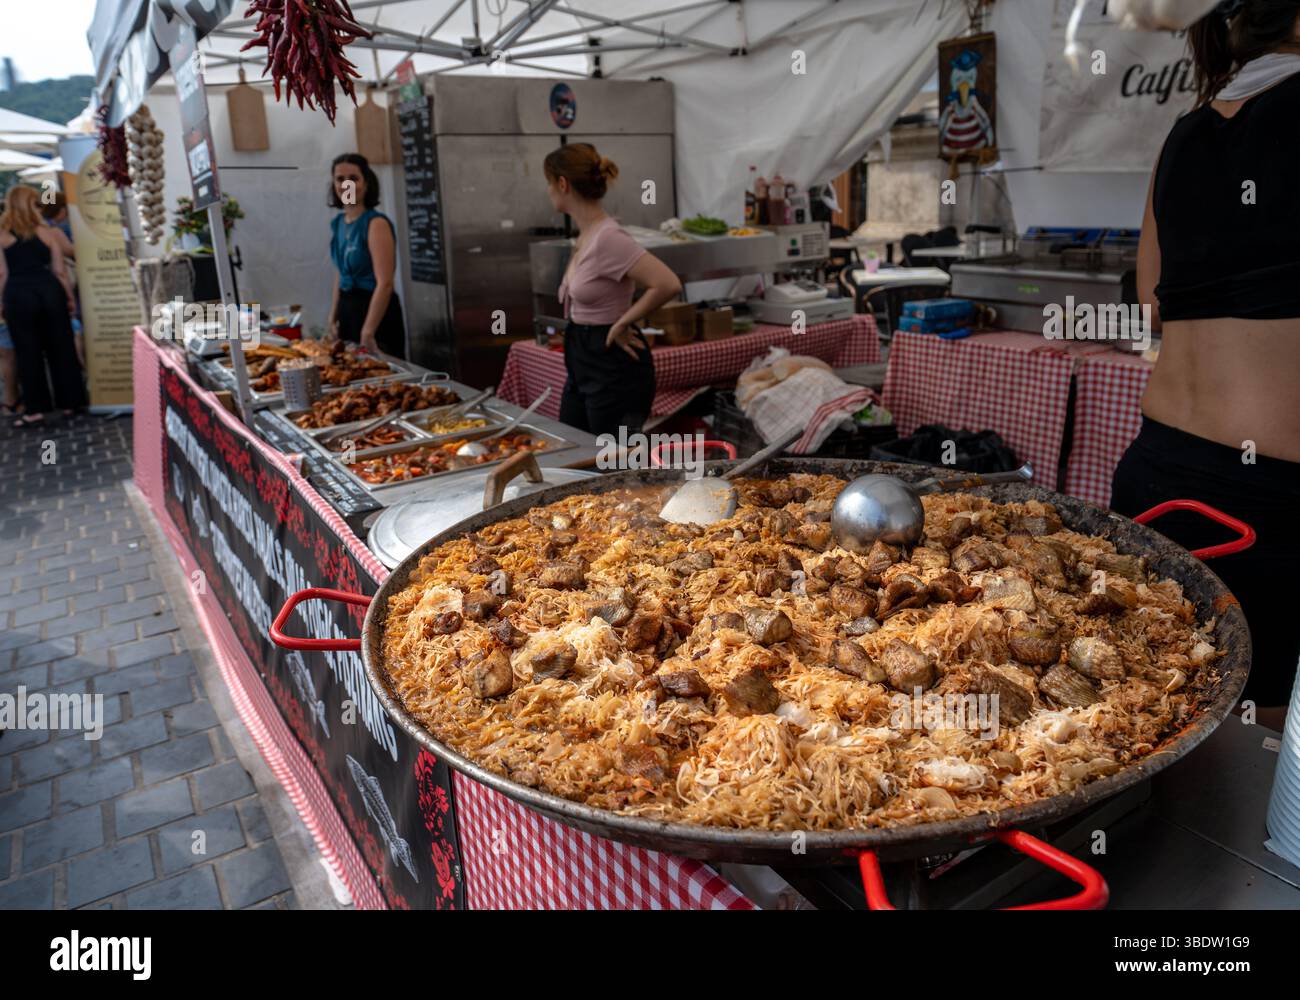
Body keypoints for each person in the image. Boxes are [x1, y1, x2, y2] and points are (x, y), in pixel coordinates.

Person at [1115, 0, 1300, 724]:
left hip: (1156, 472)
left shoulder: (1184, 135)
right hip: (1271, 504)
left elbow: (1153, 300)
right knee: (1265, 761)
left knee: (1151, 717)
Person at [544, 143, 681, 438]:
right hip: (582, 356)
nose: (548, 191)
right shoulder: (585, 235)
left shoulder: (609, 237)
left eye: (549, 183)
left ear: (563, 184)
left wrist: (623, 321)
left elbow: (667, 283)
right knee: (576, 451)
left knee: (616, 464)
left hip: (612, 361)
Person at [0, 185, 86, 426]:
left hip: (18, 294)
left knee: (28, 351)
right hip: (49, 291)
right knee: (62, 346)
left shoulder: (2, 234)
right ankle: (71, 403)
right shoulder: (47, 232)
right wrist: (69, 297)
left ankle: (35, 410)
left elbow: (2, 273)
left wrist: (1, 301)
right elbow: (59, 271)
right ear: (33, 204)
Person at [326, 152, 406, 358]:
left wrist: (368, 330)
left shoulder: (375, 223)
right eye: (340, 179)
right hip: (348, 310)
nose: (346, 185)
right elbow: (340, 274)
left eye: (353, 178)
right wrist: (332, 317)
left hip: (375, 313)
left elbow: (385, 283)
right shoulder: (338, 224)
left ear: (366, 182)